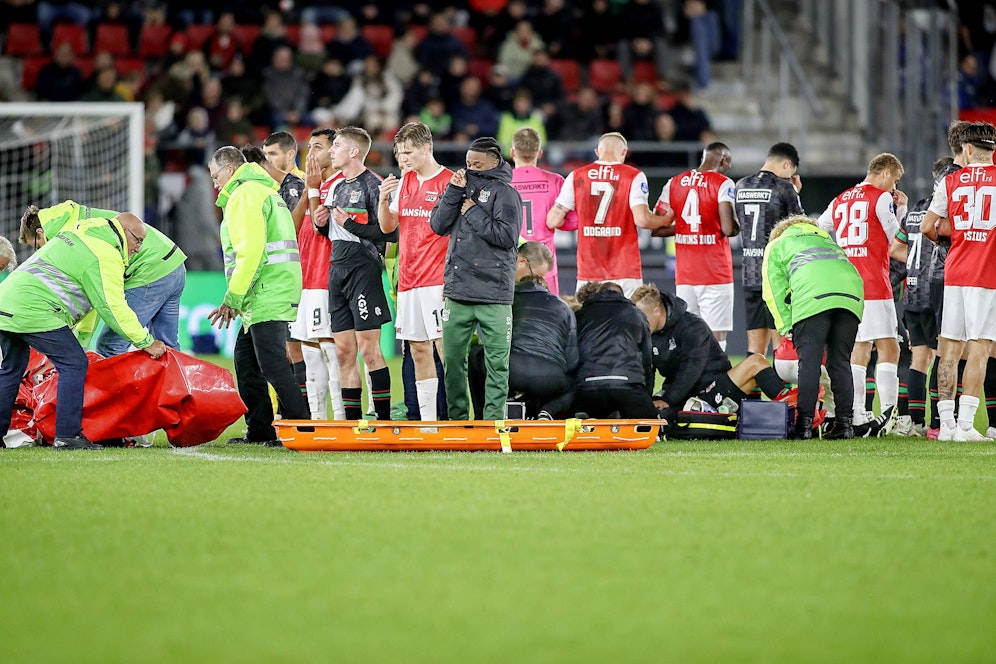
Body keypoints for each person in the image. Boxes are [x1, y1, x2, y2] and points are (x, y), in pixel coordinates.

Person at [0, 213, 167, 451]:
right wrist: (146, 341)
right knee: (74, 363)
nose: (139, 248)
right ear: (123, 232)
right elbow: (113, 307)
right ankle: (68, 436)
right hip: (34, 309)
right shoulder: (105, 254)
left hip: (6, 300)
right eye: (138, 240)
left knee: (12, 368)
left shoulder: (82, 232)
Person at [207, 146, 309, 445]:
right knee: (247, 363)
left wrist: (233, 298)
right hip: (267, 288)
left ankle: (302, 429)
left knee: (272, 365)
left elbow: (251, 252)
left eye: (215, 176)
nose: (215, 183)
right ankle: (260, 429)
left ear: (229, 169)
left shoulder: (244, 195)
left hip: (266, 288)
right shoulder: (262, 191)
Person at [429, 136, 523, 420]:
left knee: (497, 364)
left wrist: (472, 211)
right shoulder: (459, 187)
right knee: (452, 363)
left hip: (494, 293)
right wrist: (453, 191)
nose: (470, 168)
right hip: (458, 292)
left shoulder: (506, 194)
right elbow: (438, 225)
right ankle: (458, 421)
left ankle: (493, 422)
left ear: (494, 163)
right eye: (468, 163)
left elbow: (506, 237)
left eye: (477, 164)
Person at [20, 201, 187, 358]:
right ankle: (178, 381)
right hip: (174, 263)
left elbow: (102, 299)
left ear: (40, 232)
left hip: (151, 270)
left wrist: (81, 340)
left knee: (110, 346)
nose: (38, 251)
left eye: (36, 245)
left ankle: (114, 383)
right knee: (167, 348)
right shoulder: (73, 217)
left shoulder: (71, 235)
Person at [818, 153, 907, 435]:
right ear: (885, 172)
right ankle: (890, 415)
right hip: (874, 282)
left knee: (859, 348)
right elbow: (895, 239)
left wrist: (841, 254)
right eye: (895, 180)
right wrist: (901, 210)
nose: (894, 188)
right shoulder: (880, 198)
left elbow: (820, 229)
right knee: (889, 347)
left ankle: (857, 412)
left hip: (848, 284)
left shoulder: (840, 199)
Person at [313, 127, 397, 421]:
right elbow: (332, 232)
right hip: (337, 270)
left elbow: (389, 234)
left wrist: (349, 224)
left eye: (336, 145)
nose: (331, 150)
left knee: (369, 350)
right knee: (343, 352)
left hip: (363, 269)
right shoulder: (336, 186)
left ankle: (383, 421)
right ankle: (352, 424)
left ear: (353, 152)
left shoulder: (374, 185)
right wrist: (321, 224)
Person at [919, 121, 996, 441]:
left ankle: (947, 425)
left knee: (948, 348)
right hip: (986, 274)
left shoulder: (951, 181)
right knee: (980, 347)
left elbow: (927, 227)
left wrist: (958, 238)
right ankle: (965, 425)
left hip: (955, 272)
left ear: (968, 149)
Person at [762, 215, 866, 439]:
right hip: (851, 297)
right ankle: (845, 425)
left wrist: (785, 325)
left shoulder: (777, 244)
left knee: (809, 364)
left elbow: (772, 290)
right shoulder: (827, 241)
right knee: (840, 363)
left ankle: (804, 426)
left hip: (813, 298)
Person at [631, 283, 789, 426]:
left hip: (713, 386)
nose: (638, 323)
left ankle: (791, 410)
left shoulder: (693, 326)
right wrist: (646, 402)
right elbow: (646, 372)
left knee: (756, 361)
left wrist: (668, 400)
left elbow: (691, 369)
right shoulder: (646, 334)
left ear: (657, 312)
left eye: (641, 317)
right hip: (683, 394)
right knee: (646, 410)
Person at [378, 121, 452, 421]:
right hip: (408, 281)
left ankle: (456, 418)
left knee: (445, 350)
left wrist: (451, 279)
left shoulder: (449, 182)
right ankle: (429, 422)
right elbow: (388, 227)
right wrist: (383, 200)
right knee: (418, 349)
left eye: (408, 152)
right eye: (400, 153)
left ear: (426, 148)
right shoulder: (405, 182)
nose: (403, 158)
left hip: (437, 280)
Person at [547, 132, 666, 297]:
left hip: (589, 271)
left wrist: (576, 223)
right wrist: (666, 220)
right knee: (627, 313)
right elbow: (643, 220)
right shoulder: (633, 176)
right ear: (624, 152)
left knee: (587, 313)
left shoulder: (576, 176)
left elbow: (553, 220)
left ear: (597, 152)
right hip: (624, 270)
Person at [654, 142, 740, 349]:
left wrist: (687, 229)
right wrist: (738, 223)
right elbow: (729, 228)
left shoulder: (674, 183)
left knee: (688, 337)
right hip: (715, 273)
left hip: (685, 275)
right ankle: (713, 372)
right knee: (716, 339)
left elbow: (656, 228)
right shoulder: (723, 183)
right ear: (724, 159)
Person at [889, 157, 952, 436]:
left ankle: (915, 422)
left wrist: (915, 267)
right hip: (937, 292)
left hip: (912, 295)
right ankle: (939, 422)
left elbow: (895, 250)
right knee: (943, 355)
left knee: (919, 358)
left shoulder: (915, 209)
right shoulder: (944, 213)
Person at [291, 128, 344, 420]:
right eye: (309, 147)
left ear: (334, 153)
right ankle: (317, 419)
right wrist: (308, 190)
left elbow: (322, 228)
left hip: (326, 277)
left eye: (318, 147)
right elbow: (292, 229)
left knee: (331, 350)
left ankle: (341, 419)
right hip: (305, 278)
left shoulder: (341, 185)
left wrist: (314, 190)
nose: (311, 153)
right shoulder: (311, 186)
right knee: (309, 351)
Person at [734, 142, 804, 355]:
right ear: (787, 164)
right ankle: (780, 380)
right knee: (781, 345)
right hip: (776, 276)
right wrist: (796, 192)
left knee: (755, 350)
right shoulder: (784, 188)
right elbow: (800, 227)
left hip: (750, 273)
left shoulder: (740, 185)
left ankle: (752, 379)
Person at [573, 282, 658, 419]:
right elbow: (647, 360)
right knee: (651, 425)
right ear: (622, 296)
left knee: (580, 422)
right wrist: (646, 395)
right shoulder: (636, 314)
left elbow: (572, 356)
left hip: (588, 387)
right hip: (627, 385)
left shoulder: (580, 316)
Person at [509, 127, 577, 294]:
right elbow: (573, 222)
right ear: (539, 153)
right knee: (549, 308)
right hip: (543, 264)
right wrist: (557, 221)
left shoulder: (502, 183)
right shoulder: (555, 181)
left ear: (512, 152)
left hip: (511, 262)